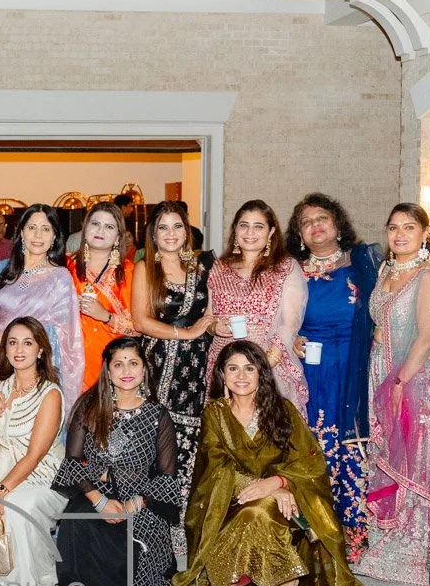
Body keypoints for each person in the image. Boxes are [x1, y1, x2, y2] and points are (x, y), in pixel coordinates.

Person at [176, 340, 374, 586]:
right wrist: (267, 487)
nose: (241, 376)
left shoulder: (281, 409)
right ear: (221, 374)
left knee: (260, 509)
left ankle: (283, 583)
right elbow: (216, 467)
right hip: (226, 501)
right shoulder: (215, 413)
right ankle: (247, 571)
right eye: (233, 368)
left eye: (249, 368)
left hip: (290, 503)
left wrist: (280, 483)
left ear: (261, 374)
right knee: (255, 507)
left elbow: (309, 461)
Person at [354, 204, 430, 586]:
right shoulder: (386, 270)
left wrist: (400, 381)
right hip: (382, 371)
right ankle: (383, 536)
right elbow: (384, 321)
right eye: (393, 227)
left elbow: (426, 336)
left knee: (413, 456)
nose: (400, 234)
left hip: (416, 378)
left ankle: (412, 549)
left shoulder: (429, 277)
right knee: (385, 453)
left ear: (426, 233)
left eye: (410, 227)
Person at [286, 192, 381, 559]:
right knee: (312, 444)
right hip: (310, 370)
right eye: (306, 223)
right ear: (299, 234)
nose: (315, 226)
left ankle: (352, 534)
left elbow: (382, 307)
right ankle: (310, 533)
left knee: (352, 444)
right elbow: (278, 318)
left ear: (338, 224)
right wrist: (290, 337)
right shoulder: (291, 270)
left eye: (321, 218)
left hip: (355, 367)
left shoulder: (362, 263)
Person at [53, 338, 182, 586]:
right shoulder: (89, 408)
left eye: (133, 363)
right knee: (79, 520)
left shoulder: (158, 415)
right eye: (119, 364)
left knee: (134, 539)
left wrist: (134, 504)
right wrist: (99, 502)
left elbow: (167, 476)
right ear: (108, 370)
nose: (126, 371)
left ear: (144, 368)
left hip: (142, 497)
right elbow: (73, 462)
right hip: (95, 493)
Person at [0, 317, 67, 586]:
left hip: (40, 476)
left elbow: (34, 456)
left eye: (27, 343)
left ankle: (24, 578)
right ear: (6, 350)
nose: (19, 350)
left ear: (41, 350)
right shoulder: (3, 382)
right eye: (13, 343)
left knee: (15, 508)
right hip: (0, 469)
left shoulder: (50, 394)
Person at [131, 201, 214, 520]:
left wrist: (208, 327)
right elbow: (140, 321)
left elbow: (211, 309)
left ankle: (182, 521)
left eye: (177, 226)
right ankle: (152, 516)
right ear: (153, 232)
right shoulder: (145, 268)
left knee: (191, 437)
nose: (170, 233)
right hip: (159, 361)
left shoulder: (201, 267)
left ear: (187, 230)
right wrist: (187, 334)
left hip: (196, 365)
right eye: (163, 227)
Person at [207, 200, 307, 410]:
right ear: (235, 229)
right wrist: (215, 327)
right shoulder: (219, 267)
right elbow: (209, 317)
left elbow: (290, 324)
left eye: (258, 226)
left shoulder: (285, 268)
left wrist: (263, 365)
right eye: (244, 225)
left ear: (271, 232)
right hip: (224, 362)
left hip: (267, 359)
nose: (250, 232)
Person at [0, 204, 83, 402]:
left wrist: (14, 337)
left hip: (36, 366)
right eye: (32, 227)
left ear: (54, 237)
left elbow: (66, 335)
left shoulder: (60, 276)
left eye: (46, 229)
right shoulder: (2, 269)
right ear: (22, 232)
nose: (38, 235)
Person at [68, 202, 135, 392]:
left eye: (109, 226)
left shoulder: (129, 272)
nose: (101, 231)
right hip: (71, 362)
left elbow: (139, 328)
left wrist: (106, 316)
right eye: (95, 224)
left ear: (118, 236)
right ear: (85, 227)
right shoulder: (66, 266)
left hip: (113, 364)